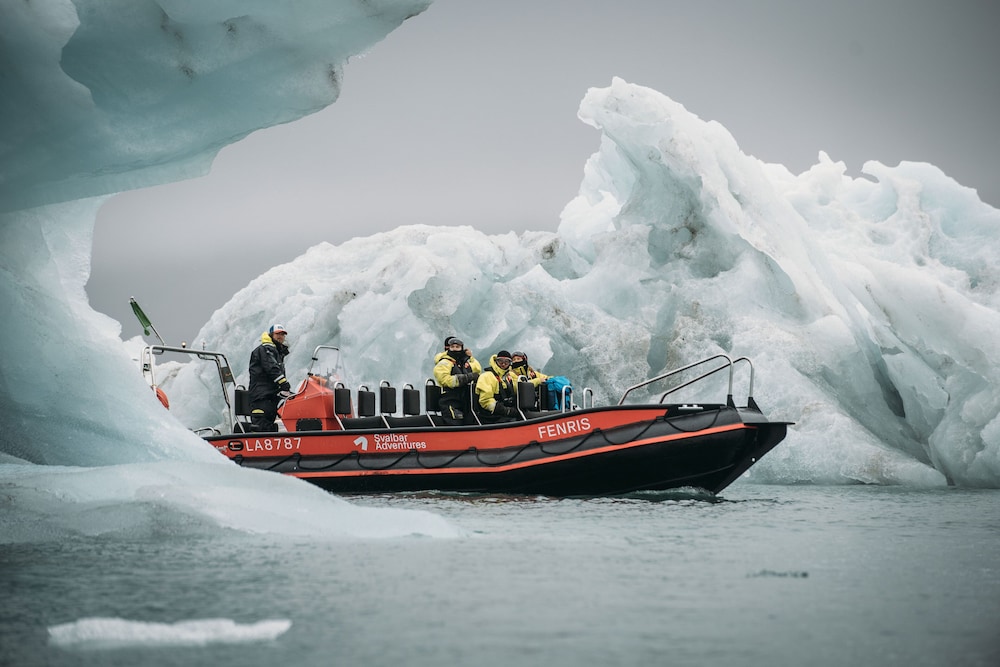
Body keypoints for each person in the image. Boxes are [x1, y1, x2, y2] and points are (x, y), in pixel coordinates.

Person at [248, 324, 291, 432]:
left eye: (282, 334)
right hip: (261, 396)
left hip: (271, 396)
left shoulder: (276, 352)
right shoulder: (266, 350)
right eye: (277, 334)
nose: (280, 336)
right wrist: (283, 382)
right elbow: (271, 367)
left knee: (271, 426)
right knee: (261, 426)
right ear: (271, 335)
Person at [433, 336, 482, 425]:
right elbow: (445, 380)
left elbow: (477, 369)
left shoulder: (462, 362)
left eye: (457, 347)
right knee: (455, 423)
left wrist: (470, 357)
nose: (455, 349)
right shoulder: (444, 362)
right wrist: (466, 378)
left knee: (470, 422)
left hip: (465, 400)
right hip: (450, 400)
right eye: (452, 347)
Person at [475, 350, 521, 423]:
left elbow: (519, 387)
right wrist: (506, 411)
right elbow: (485, 401)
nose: (503, 364)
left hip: (508, 413)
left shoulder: (509, 376)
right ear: (496, 362)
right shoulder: (487, 376)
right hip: (491, 417)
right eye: (500, 361)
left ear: (510, 363)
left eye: (506, 362)